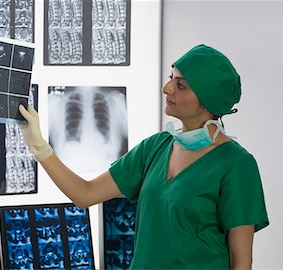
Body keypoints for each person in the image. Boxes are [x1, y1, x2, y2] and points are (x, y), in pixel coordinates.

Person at [18, 44, 269, 269]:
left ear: (207, 102)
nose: (166, 88)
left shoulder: (236, 165)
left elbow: (241, 262)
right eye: (171, 78)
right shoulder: (156, 147)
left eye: (181, 85)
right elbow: (85, 194)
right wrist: (40, 147)